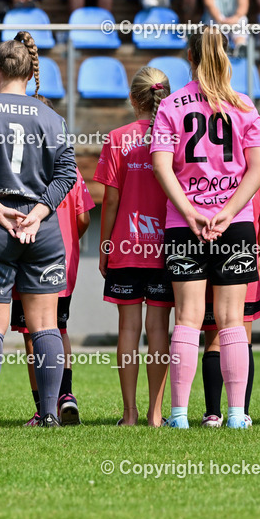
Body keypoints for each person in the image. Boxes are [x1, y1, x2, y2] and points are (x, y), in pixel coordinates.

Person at [0, 32, 77, 429]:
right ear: (29, 71)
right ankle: (50, 413)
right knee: (46, 325)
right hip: (42, 231)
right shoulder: (53, 117)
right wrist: (38, 213)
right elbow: (67, 174)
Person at [150, 26, 260, 430]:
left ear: (190, 56)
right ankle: (237, 415)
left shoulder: (171, 105)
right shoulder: (244, 106)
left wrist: (190, 211)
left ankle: (180, 416)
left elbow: (161, 165)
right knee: (232, 319)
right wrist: (229, 210)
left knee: (186, 318)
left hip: (185, 225)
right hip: (233, 225)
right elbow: (259, 167)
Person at [96, 66, 174, 427]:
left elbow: (110, 202)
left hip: (126, 246)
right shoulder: (174, 136)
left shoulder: (117, 138)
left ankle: (129, 414)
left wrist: (105, 246)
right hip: (165, 246)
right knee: (159, 329)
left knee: (128, 329)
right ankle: (155, 414)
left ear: (133, 99)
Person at [14, 145, 93, 427]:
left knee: (32, 334)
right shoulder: (67, 168)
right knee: (59, 329)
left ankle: (42, 408)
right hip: (63, 260)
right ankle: (66, 395)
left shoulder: (19, 167)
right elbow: (83, 218)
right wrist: (68, 239)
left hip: (29, 258)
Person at [198, 179, 260, 426]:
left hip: (208, 266)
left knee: (214, 340)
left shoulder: (210, 174)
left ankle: (212, 413)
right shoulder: (258, 182)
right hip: (242, 263)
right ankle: (240, 412)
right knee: (242, 340)